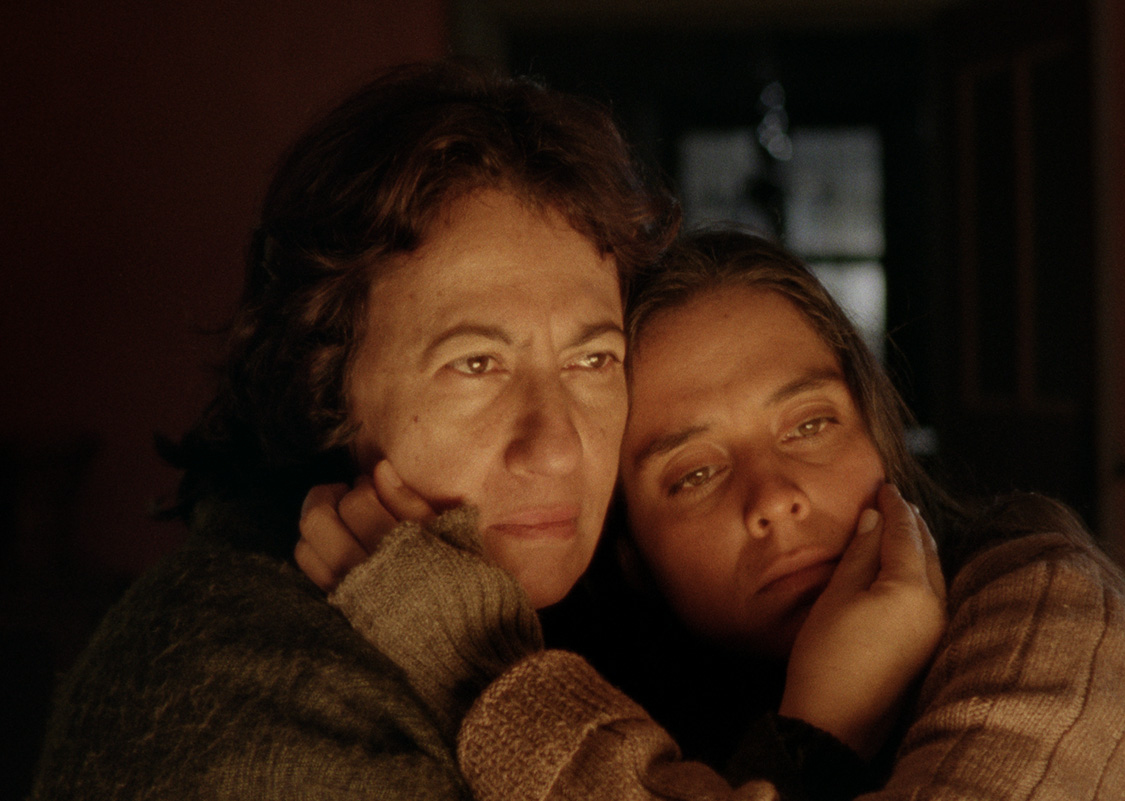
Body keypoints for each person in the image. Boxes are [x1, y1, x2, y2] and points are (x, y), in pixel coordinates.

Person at [300, 229, 1125, 800]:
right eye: (693, 473)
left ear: (879, 435)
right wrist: (813, 735)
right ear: (632, 553)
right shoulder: (654, 693)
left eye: (810, 425)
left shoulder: (1055, 614)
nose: (774, 499)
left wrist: (470, 661)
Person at [29, 60, 679, 799]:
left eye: (593, 359)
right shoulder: (260, 706)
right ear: (323, 379)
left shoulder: (605, 609)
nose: (557, 447)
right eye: (475, 364)